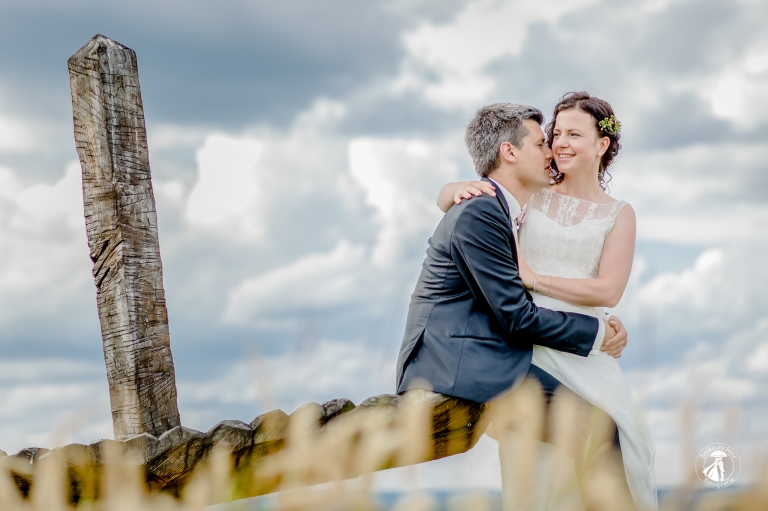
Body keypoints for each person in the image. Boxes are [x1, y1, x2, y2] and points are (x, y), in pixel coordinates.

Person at [436, 92, 657, 511]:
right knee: (538, 470)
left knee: (618, 449)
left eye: (575, 133)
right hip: (530, 344)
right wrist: (451, 188)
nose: (560, 143)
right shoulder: (534, 192)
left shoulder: (619, 213)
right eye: (556, 134)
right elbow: (473, 197)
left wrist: (535, 279)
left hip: (588, 350)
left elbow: (609, 289)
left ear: (602, 144)